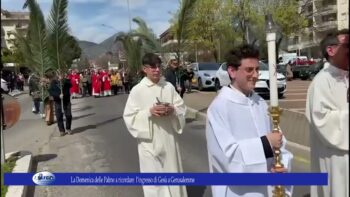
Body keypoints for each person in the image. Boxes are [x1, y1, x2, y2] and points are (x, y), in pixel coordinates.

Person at [205, 44, 293, 197]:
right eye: (249, 70)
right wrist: (265, 143)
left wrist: (280, 163)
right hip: (238, 191)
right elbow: (225, 158)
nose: (255, 75)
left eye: (257, 69)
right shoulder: (219, 107)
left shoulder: (259, 102)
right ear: (232, 71)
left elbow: (278, 140)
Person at [123, 53, 187, 197]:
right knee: (155, 183)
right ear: (144, 69)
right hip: (149, 144)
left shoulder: (168, 87)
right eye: (152, 67)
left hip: (168, 138)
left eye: (158, 67)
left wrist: (173, 110)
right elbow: (129, 117)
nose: (157, 70)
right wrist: (149, 112)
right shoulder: (137, 90)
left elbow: (181, 107)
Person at [305, 29, 349, 197]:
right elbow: (322, 120)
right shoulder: (321, 82)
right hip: (336, 162)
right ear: (331, 50)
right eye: (347, 45)